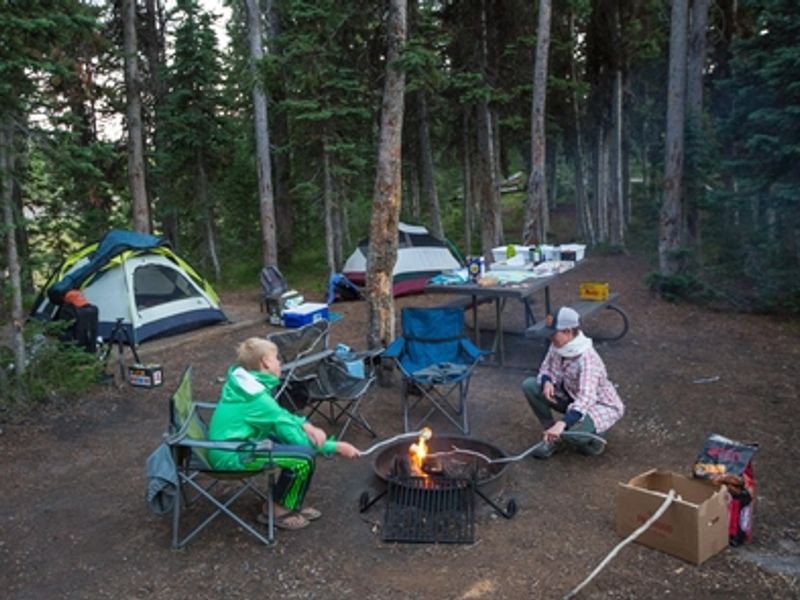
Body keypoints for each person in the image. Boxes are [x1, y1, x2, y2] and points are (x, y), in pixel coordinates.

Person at [208, 337, 361, 530]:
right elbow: (295, 438)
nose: (279, 362)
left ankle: (288, 502)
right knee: (302, 458)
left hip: (235, 444)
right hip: (232, 456)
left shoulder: (245, 384)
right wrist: (336, 447)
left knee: (287, 441)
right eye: (276, 358)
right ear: (265, 362)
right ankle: (279, 510)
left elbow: (280, 416)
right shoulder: (257, 399)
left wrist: (306, 425)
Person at [522, 306, 624, 458]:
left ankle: (595, 438)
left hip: (598, 405)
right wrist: (547, 381)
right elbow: (546, 368)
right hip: (571, 396)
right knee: (530, 385)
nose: (550, 338)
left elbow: (586, 399)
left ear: (568, 332)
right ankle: (551, 436)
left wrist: (562, 424)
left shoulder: (588, 360)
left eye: (553, 334)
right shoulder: (558, 345)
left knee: (573, 438)